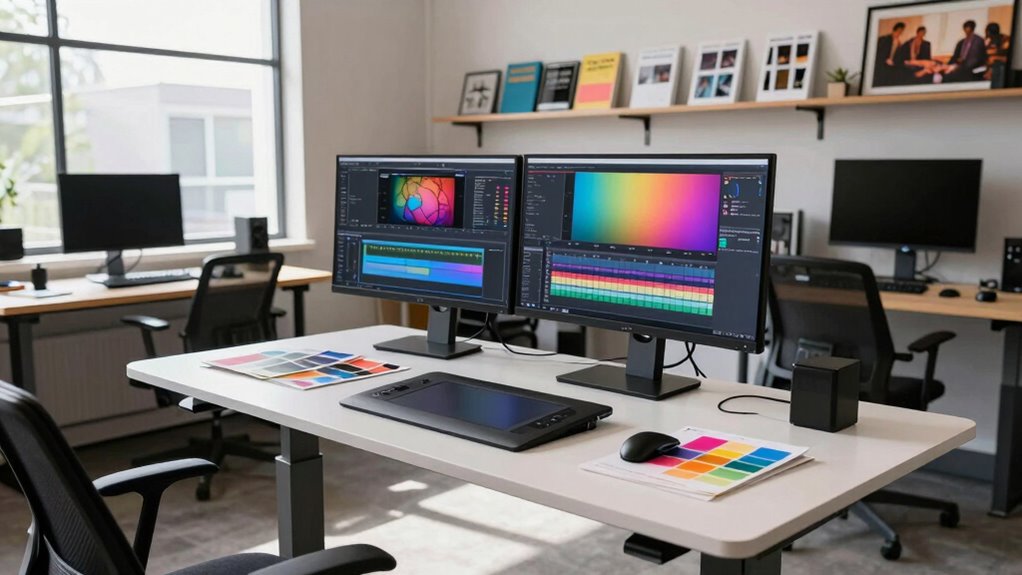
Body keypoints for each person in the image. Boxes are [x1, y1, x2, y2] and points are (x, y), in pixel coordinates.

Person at [874, 21, 905, 86]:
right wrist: (885, 59)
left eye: (901, 31)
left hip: (891, 68)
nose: (900, 33)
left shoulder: (899, 43)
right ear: (895, 29)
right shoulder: (883, 39)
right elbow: (877, 53)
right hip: (881, 66)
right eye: (899, 31)